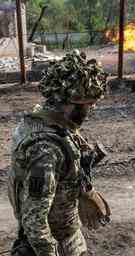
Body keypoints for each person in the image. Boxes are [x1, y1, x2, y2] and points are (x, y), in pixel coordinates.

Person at [8, 50, 111, 256]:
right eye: (89, 105)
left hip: (66, 233)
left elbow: (66, 167)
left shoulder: (48, 119)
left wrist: (82, 189)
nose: (91, 110)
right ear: (70, 102)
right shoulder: (45, 149)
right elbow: (35, 220)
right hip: (57, 243)